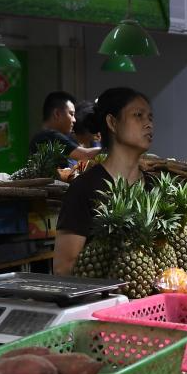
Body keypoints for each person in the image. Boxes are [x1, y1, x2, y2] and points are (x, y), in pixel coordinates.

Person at [54, 88, 154, 276]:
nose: (148, 123)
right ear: (112, 123)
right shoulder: (84, 189)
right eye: (138, 115)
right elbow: (63, 268)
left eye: (150, 117)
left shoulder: (153, 187)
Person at [29, 91, 101, 164]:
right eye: (71, 114)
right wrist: (110, 147)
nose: (74, 120)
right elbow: (86, 155)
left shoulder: (41, 137)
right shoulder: (51, 136)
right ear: (57, 114)